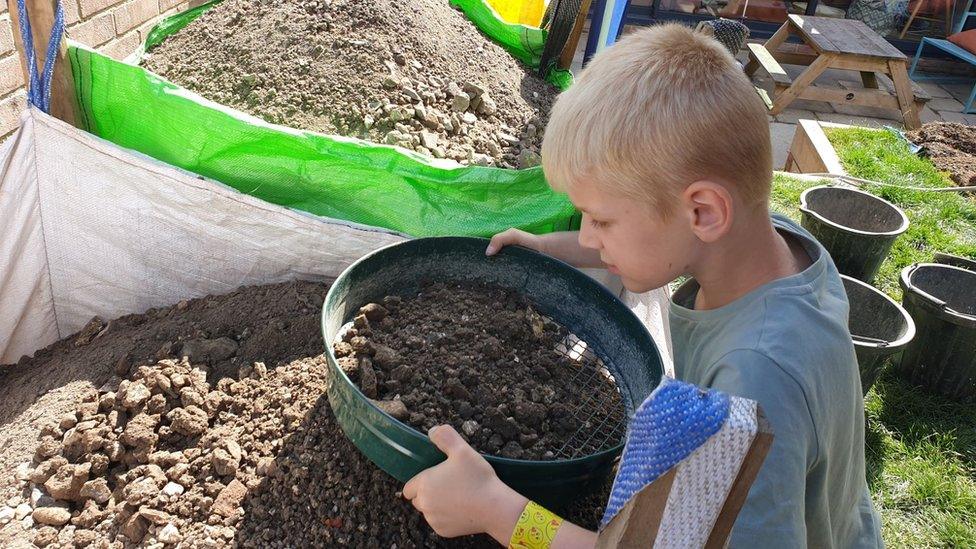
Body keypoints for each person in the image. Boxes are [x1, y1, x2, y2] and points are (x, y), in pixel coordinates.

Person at [402, 23, 882, 548]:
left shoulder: (752, 386)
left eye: (601, 221)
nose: (586, 234)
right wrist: (546, 249)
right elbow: (665, 235)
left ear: (703, 210)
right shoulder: (776, 249)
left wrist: (496, 509)